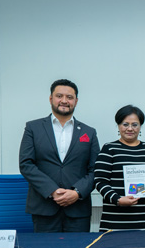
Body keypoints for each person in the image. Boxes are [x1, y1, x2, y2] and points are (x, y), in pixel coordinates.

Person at [19, 79, 100, 232]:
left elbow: (96, 169)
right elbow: (26, 164)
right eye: (59, 96)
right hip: (44, 207)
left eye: (69, 97)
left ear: (76, 101)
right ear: (51, 99)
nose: (64, 101)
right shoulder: (33, 128)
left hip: (78, 209)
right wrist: (52, 191)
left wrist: (77, 192)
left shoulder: (89, 132)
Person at [94, 105, 145, 231]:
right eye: (125, 124)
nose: (130, 128)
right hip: (115, 220)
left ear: (140, 126)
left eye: (135, 124)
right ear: (118, 126)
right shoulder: (109, 149)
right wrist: (118, 199)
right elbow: (99, 181)